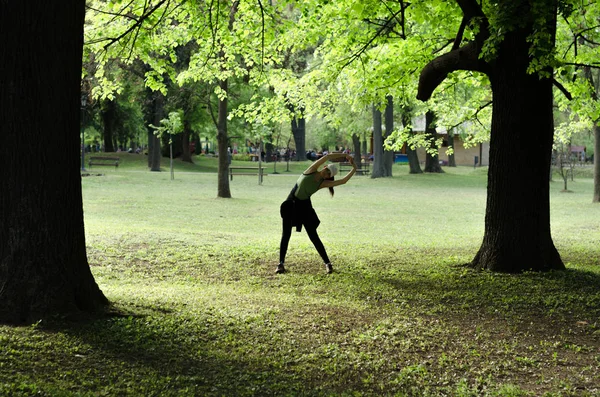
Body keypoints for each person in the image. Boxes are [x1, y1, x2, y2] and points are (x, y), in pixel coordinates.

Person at [276, 152, 357, 274]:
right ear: (324, 167)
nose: (326, 173)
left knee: (313, 236)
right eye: (327, 170)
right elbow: (328, 156)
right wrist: (345, 155)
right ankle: (280, 264)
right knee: (286, 234)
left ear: (328, 177)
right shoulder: (311, 170)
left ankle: (328, 263)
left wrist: (354, 168)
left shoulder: (322, 183)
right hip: (291, 204)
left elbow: (343, 181)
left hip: (304, 207)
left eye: (329, 174)